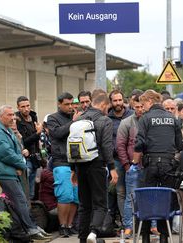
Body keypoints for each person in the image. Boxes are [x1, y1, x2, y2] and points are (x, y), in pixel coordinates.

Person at [0, 105, 51, 241]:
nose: (13, 118)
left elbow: (18, 150)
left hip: (10, 171)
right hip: (4, 173)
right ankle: (31, 229)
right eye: (9, 115)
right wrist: (22, 165)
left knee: (20, 201)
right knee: (20, 200)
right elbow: (7, 154)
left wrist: (20, 162)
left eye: (13, 115)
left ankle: (28, 228)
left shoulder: (6, 130)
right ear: (1, 116)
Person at [133, 89, 183, 243]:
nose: (142, 108)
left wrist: (135, 161)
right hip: (169, 165)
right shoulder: (172, 118)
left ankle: (146, 237)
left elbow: (140, 142)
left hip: (151, 164)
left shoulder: (145, 119)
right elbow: (180, 145)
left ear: (150, 101)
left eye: (143, 104)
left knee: (147, 200)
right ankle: (164, 237)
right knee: (165, 200)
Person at [71, 93, 118, 243]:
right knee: (100, 204)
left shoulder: (79, 118)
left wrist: (73, 169)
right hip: (97, 165)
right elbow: (106, 146)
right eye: (107, 107)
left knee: (84, 205)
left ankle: (82, 238)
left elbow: (73, 144)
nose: (107, 110)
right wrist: (112, 168)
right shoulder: (105, 120)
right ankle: (94, 232)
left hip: (80, 165)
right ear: (104, 105)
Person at [46, 92, 81, 237]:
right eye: (66, 104)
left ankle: (70, 224)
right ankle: (62, 225)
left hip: (76, 161)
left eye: (71, 104)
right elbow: (58, 134)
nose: (70, 107)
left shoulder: (76, 116)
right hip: (61, 161)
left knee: (75, 197)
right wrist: (73, 122)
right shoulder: (52, 118)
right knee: (64, 195)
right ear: (59, 104)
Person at [116, 93, 145, 238]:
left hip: (148, 166)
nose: (140, 109)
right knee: (130, 197)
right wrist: (127, 165)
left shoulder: (149, 121)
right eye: (137, 107)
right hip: (133, 166)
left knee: (149, 196)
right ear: (133, 106)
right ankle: (128, 226)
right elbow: (120, 145)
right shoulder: (126, 122)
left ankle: (151, 226)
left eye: (142, 106)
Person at [107, 89, 134, 229]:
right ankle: (126, 222)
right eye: (115, 100)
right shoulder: (107, 118)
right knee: (120, 191)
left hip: (132, 160)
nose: (118, 103)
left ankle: (135, 222)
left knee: (133, 192)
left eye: (120, 100)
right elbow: (107, 140)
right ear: (111, 102)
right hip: (116, 160)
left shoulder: (132, 115)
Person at [15, 96, 43, 200]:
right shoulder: (17, 121)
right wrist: (38, 133)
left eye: (28, 106)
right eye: (23, 107)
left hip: (35, 157)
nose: (26, 109)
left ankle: (29, 211)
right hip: (25, 159)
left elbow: (36, 139)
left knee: (31, 192)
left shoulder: (33, 116)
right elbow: (24, 142)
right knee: (24, 191)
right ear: (18, 108)